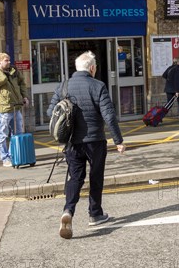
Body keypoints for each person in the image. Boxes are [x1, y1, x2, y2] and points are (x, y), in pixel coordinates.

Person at [47, 51, 125, 240]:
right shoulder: (98, 86)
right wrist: (118, 141)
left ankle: (68, 211)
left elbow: (51, 111)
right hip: (95, 141)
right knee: (96, 177)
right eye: (95, 67)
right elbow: (109, 115)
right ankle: (95, 214)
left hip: (72, 142)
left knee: (75, 178)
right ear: (91, 68)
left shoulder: (64, 85)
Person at [0, 53, 29, 167]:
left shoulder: (14, 71)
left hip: (16, 107)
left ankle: (13, 155)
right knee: (3, 134)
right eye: (6, 60)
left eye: (9, 60)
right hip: (4, 108)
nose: (9, 62)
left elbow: (22, 83)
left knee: (18, 132)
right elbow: (0, 81)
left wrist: (24, 96)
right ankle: (5, 158)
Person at [163, 58, 179, 122]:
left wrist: (170, 80)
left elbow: (164, 75)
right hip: (176, 89)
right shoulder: (177, 69)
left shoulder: (170, 67)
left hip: (168, 88)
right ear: (178, 62)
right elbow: (177, 81)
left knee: (169, 104)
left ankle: (159, 116)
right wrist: (177, 91)